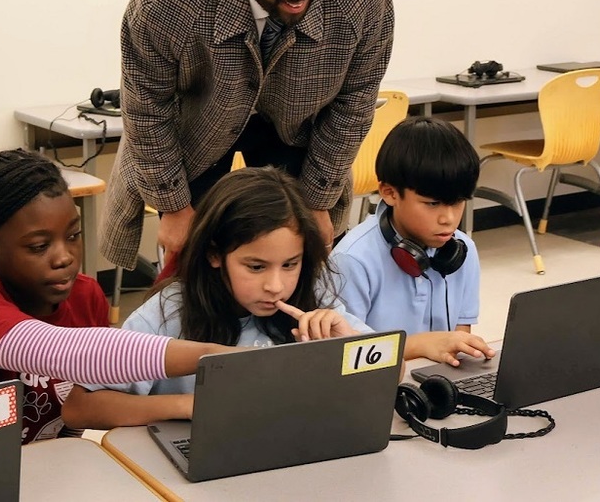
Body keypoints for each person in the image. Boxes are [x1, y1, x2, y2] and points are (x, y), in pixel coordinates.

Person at [101, 0, 395, 275]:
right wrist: (173, 207)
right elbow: (145, 107)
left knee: (300, 261)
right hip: (195, 125)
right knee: (193, 265)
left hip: (297, 129)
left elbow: (353, 105)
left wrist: (318, 201)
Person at [0, 150, 236, 444]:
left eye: (73, 235)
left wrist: (185, 405)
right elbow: (68, 351)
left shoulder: (85, 295)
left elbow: (83, 407)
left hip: (54, 467)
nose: (64, 257)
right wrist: (217, 356)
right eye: (39, 246)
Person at [66, 167, 372, 429]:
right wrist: (190, 405)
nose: (276, 286)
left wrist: (349, 343)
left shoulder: (313, 295)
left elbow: (389, 372)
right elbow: (81, 408)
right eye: (256, 267)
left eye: (290, 264)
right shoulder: (167, 312)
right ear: (215, 254)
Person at [330, 118, 496, 365]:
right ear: (390, 193)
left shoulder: (463, 250)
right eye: (433, 203)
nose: (449, 219)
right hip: (379, 381)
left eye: (458, 202)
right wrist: (420, 345)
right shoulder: (352, 260)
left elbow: (459, 337)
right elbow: (346, 354)